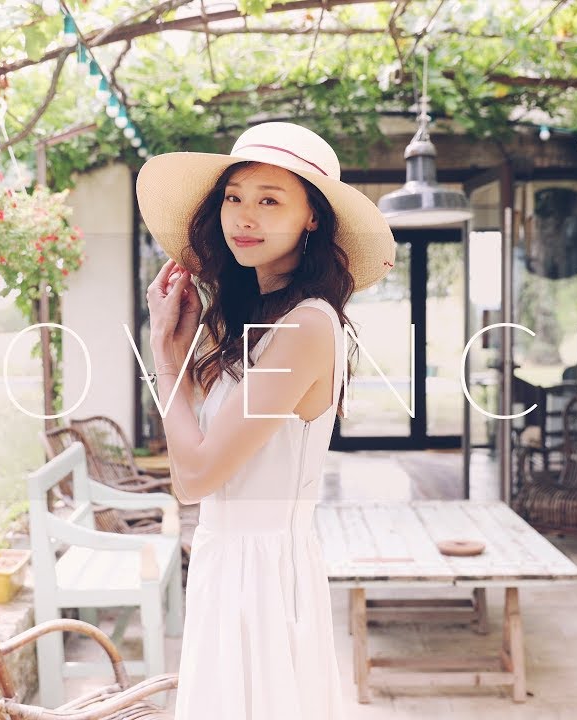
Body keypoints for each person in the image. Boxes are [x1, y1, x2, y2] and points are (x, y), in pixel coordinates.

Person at [135, 121, 395, 718]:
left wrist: (163, 358)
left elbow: (194, 477)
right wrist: (182, 347)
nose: (244, 217)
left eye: (270, 201)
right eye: (234, 197)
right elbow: (203, 444)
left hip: (263, 575)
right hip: (228, 561)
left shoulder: (306, 326)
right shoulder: (254, 321)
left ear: (312, 218)